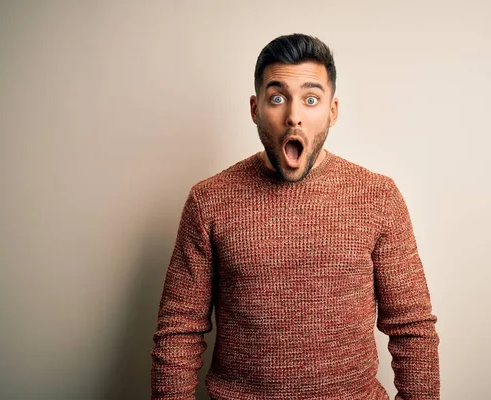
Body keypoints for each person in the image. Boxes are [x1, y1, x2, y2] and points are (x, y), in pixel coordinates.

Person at [151, 33, 440, 400]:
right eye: (277, 98)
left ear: (332, 111)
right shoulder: (209, 200)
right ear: (255, 109)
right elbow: (179, 330)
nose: (294, 117)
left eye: (311, 99)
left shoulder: (378, 197)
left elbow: (411, 328)